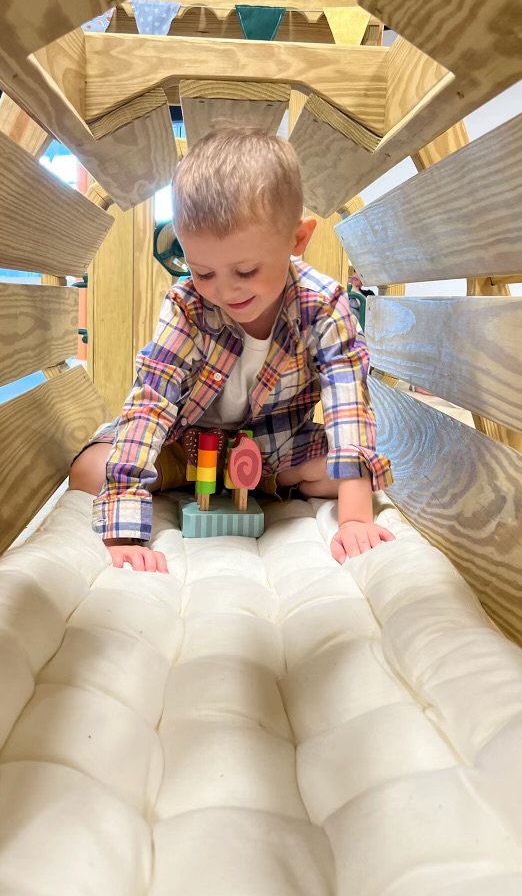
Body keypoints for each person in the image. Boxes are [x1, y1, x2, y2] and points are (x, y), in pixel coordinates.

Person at [70, 128, 395, 572]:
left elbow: (348, 407)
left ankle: (264, 480)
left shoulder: (324, 306)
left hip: (273, 450)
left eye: (245, 269)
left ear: (297, 240)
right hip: (184, 446)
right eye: (203, 272)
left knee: (355, 474)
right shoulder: (188, 306)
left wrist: (354, 521)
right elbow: (152, 401)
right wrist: (125, 529)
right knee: (90, 469)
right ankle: (216, 482)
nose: (224, 290)